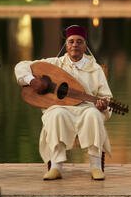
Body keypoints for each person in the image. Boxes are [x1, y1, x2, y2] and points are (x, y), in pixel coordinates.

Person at [15, 25, 112, 181]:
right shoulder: (55, 64)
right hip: (59, 107)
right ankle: (56, 167)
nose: (75, 45)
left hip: (87, 108)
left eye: (79, 42)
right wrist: (31, 80)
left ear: (85, 46)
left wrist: (103, 105)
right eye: (71, 41)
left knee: (93, 115)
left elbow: (106, 97)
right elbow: (21, 66)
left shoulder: (95, 69)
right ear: (66, 45)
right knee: (56, 114)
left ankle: (96, 167)